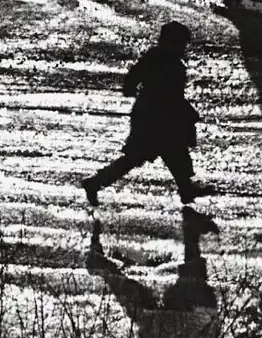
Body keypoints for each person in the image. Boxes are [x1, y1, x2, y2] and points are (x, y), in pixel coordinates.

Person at [81, 21, 211, 209]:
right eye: (180, 43)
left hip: (158, 115)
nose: (183, 48)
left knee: (174, 153)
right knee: (143, 156)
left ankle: (186, 189)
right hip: (153, 118)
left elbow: (134, 81)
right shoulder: (159, 60)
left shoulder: (163, 60)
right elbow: (140, 81)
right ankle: (94, 183)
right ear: (168, 42)